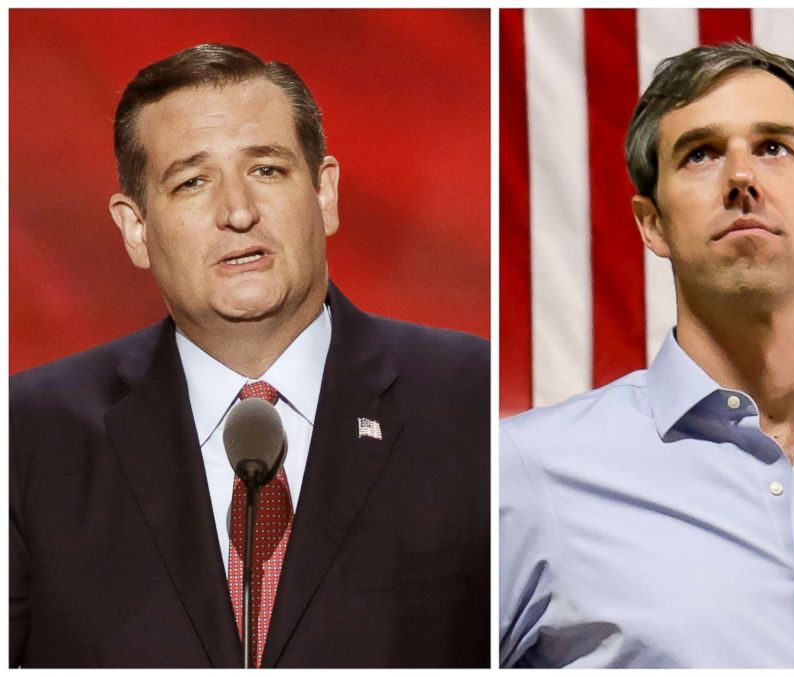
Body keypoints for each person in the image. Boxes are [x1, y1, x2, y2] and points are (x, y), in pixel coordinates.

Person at [499, 41, 794, 669]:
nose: (741, 178)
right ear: (652, 225)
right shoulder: (527, 477)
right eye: (700, 154)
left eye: (773, 147)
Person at [10, 43, 489, 668]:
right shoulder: (26, 435)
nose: (238, 212)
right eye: (192, 182)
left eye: (266, 170)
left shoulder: (469, 401)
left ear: (324, 194)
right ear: (136, 228)